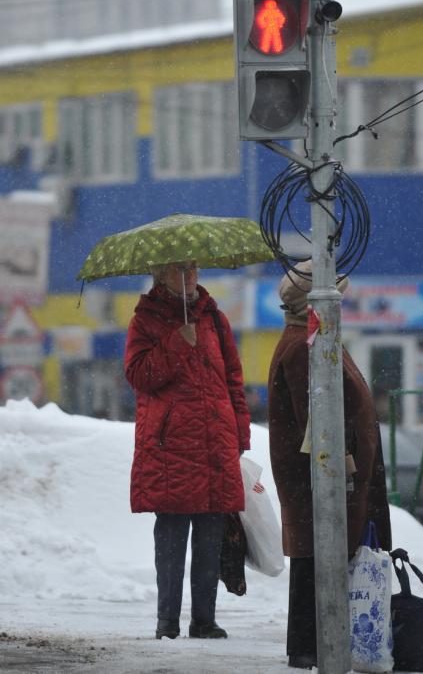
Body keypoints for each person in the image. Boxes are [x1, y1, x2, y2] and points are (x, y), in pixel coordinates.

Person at [268, 260, 392, 671]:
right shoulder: (304, 347)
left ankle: (314, 643)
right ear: (312, 303)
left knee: (319, 555)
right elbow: (315, 418)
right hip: (322, 474)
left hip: (330, 470)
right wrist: (343, 462)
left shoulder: (317, 338)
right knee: (316, 555)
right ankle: (309, 646)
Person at [124, 261, 250, 640]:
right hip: (171, 449)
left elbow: (233, 378)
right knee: (172, 538)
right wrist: (178, 342)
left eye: (193, 267)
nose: (190, 275)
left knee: (211, 537)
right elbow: (139, 376)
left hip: (214, 443)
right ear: (160, 275)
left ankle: (204, 619)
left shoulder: (214, 317)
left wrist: (239, 432)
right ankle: (167, 622)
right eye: (180, 269)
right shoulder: (145, 319)